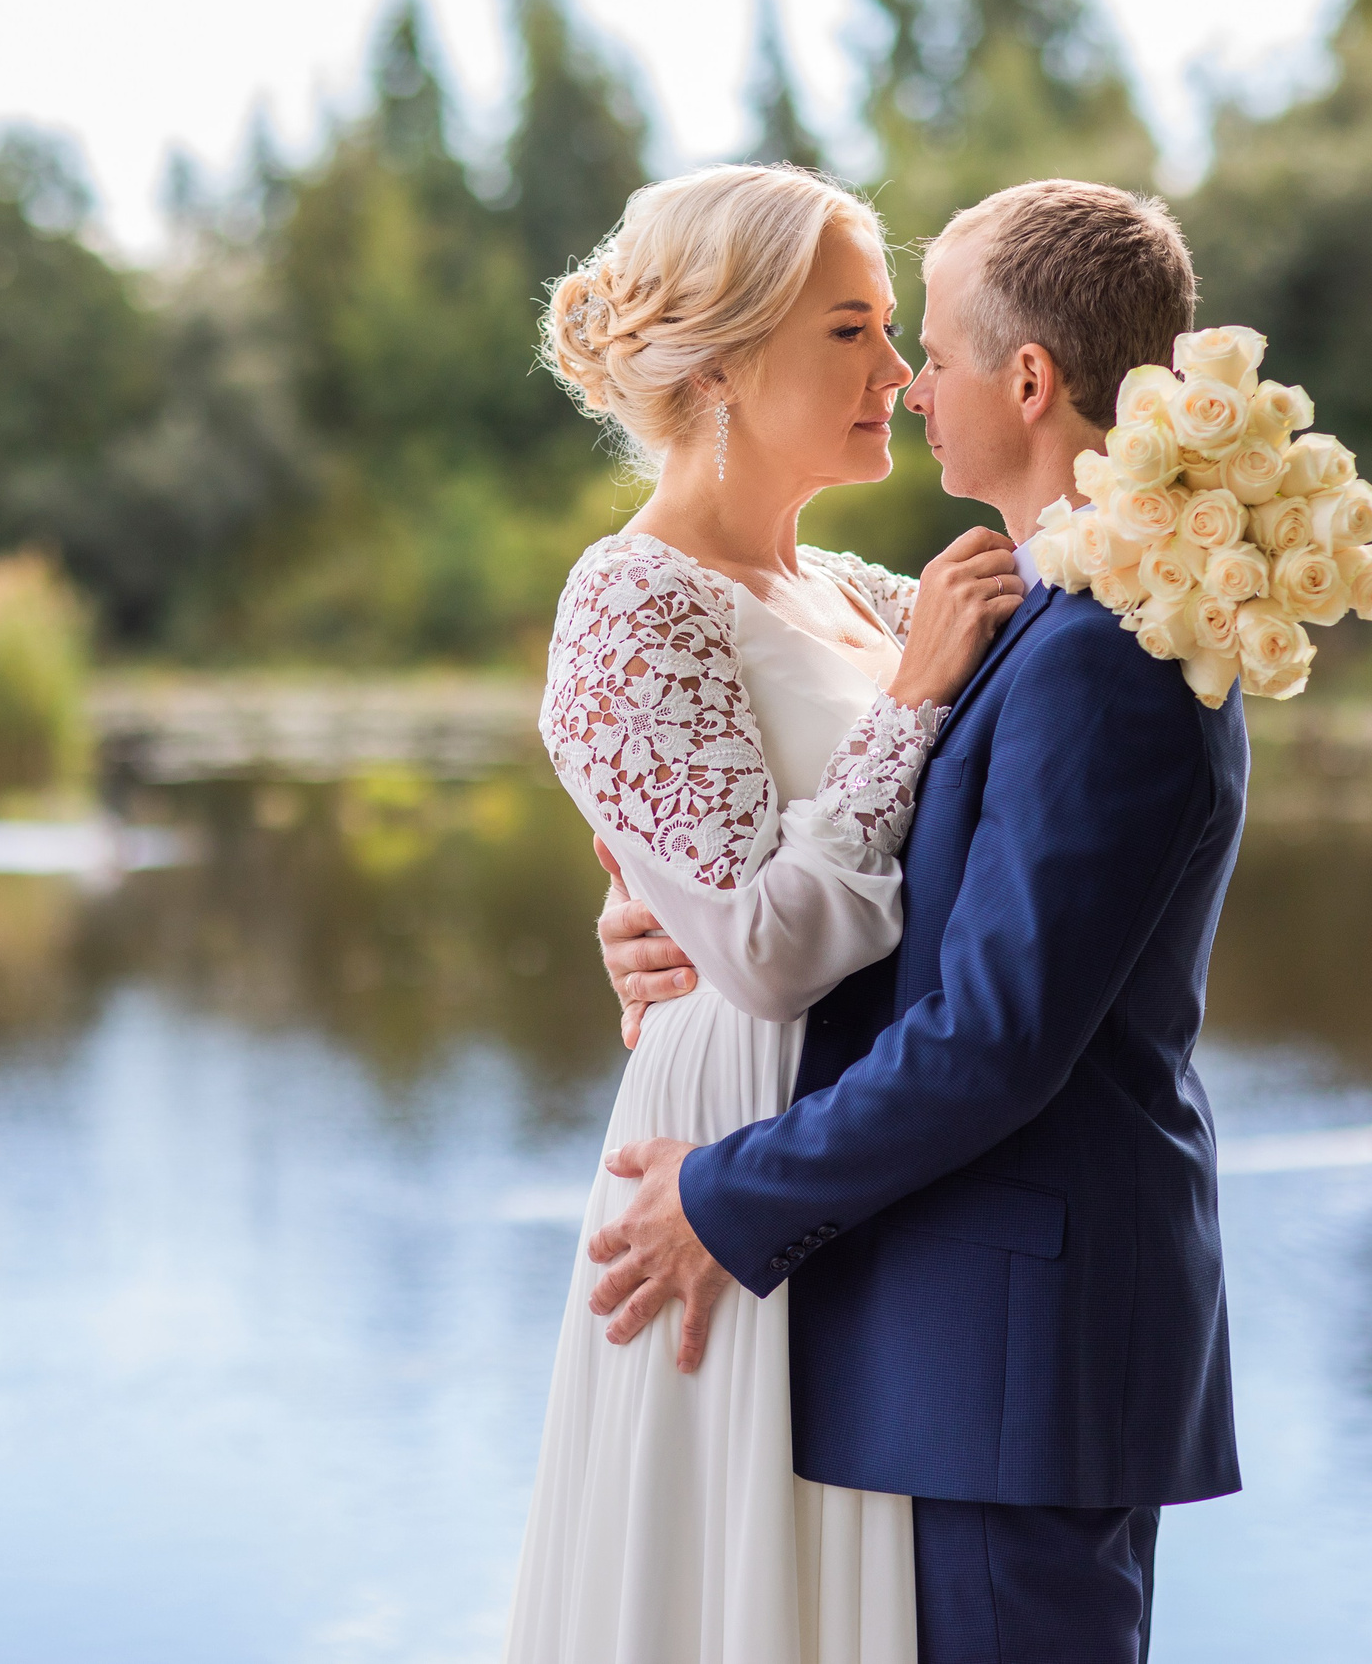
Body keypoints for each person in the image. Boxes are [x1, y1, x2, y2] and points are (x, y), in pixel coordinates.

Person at [589, 179, 1247, 1664]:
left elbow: (993, 1040)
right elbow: (759, 816)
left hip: (1008, 1346)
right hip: (951, 1331)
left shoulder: (1095, 645)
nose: (907, 377)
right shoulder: (1017, 609)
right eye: (870, 336)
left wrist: (723, 1198)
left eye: (927, 344)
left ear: (1029, 381)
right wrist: (645, 903)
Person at [504, 163, 1022, 1664]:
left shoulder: (863, 593)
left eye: (889, 329)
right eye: (853, 331)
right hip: (722, 1145)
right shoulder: (628, 599)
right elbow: (766, 948)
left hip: (857, 1139)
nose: (902, 372)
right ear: (723, 365)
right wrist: (914, 702)